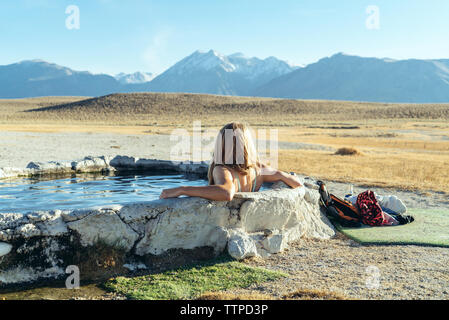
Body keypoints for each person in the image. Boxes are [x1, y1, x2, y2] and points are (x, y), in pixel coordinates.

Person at [160, 122, 302, 201]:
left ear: (220, 145)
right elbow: (294, 182)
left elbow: (226, 193)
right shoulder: (258, 169)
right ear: (247, 145)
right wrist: (288, 176)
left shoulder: (222, 170)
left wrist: (182, 189)